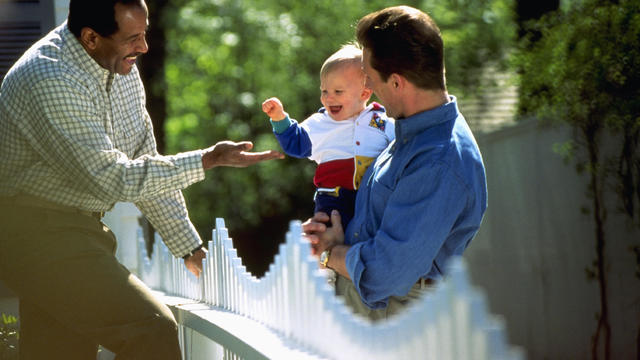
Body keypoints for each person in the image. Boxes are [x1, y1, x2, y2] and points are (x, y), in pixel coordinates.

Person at [0, 0, 282, 358]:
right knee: (150, 328)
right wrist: (208, 159)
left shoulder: (120, 66)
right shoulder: (50, 77)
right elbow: (111, 179)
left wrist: (189, 248)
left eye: (145, 34)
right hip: (34, 232)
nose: (144, 47)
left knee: (59, 352)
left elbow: (142, 161)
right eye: (133, 37)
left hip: (75, 229)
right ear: (91, 38)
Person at [303, 6, 488, 321]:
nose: (369, 91)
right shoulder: (406, 135)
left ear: (398, 83)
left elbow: (383, 274)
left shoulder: (438, 160)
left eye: (371, 79)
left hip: (396, 331)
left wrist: (330, 253)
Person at [262, 44, 394, 229]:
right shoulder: (320, 122)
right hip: (333, 198)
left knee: (375, 234)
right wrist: (279, 118)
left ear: (364, 93)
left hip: (373, 196)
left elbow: (403, 143)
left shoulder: (380, 120)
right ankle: (327, 254)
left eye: (338, 92)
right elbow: (296, 143)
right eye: (324, 91)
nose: (328, 98)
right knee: (330, 234)